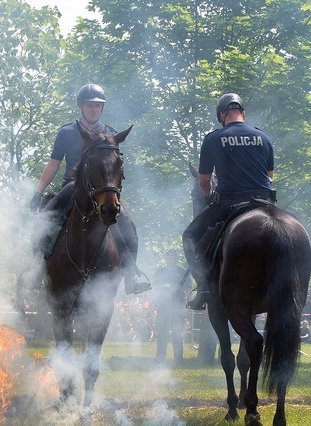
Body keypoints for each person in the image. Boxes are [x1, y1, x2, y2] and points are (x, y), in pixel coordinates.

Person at [22, 83, 151, 295]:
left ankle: (131, 276)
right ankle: (37, 268)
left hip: (102, 191)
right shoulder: (66, 132)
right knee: (44, 222)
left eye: (98, 106)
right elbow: (54, 163)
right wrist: (38, 192)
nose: (94, 109)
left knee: (128, 226)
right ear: (81, 106)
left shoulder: (109, 133)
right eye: (90, 105)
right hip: (73, 187)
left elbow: (114, 165)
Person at [183, 93, 274, 310]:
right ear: (243, 112)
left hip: (229, 203)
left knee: (189, 237)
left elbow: (204, 180)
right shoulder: (264, 138)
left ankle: (204, 288)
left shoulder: (213, 138)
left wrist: (209, 199)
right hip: (264, 202)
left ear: (222, 115)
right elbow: (270, 176)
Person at [152, 250, 190, 365]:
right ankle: (159, 360)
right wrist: (154, 303)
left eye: (173, 258)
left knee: (177, 334)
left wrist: (186, 307)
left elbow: (188, 290)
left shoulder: (182, 272)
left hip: (178, 307)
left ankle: (178, 360)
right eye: (168, 257)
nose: (171, 260)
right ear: (165, 258)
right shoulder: (160, 272)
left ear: (176, 259)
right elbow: (155, 288)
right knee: (162, 334)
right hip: (163, 308)